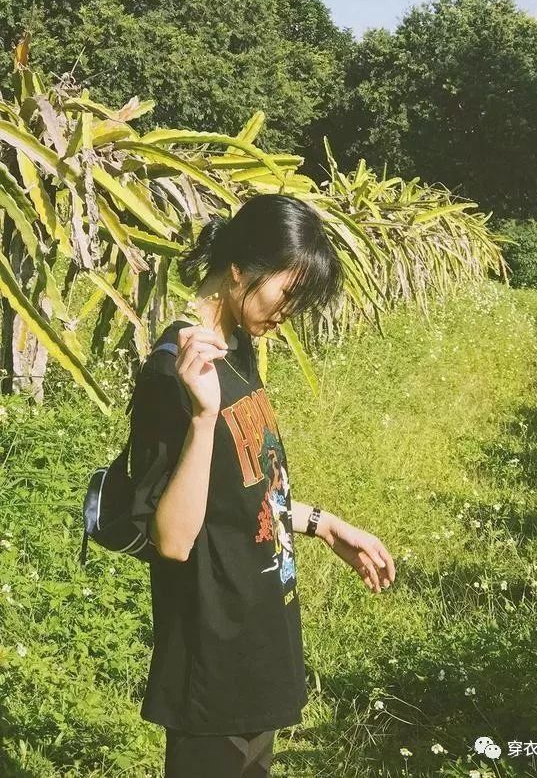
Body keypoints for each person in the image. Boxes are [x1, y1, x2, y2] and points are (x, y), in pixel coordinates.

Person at [127, 193, 396, 777]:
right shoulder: (173, 374)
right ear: (237, 271)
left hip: (257, 644)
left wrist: (326, 525)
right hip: (212, 662)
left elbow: (246, 493)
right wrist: (203, 418)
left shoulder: (236, 348)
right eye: (286, 293)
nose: (288, 313)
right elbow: (172, 539)